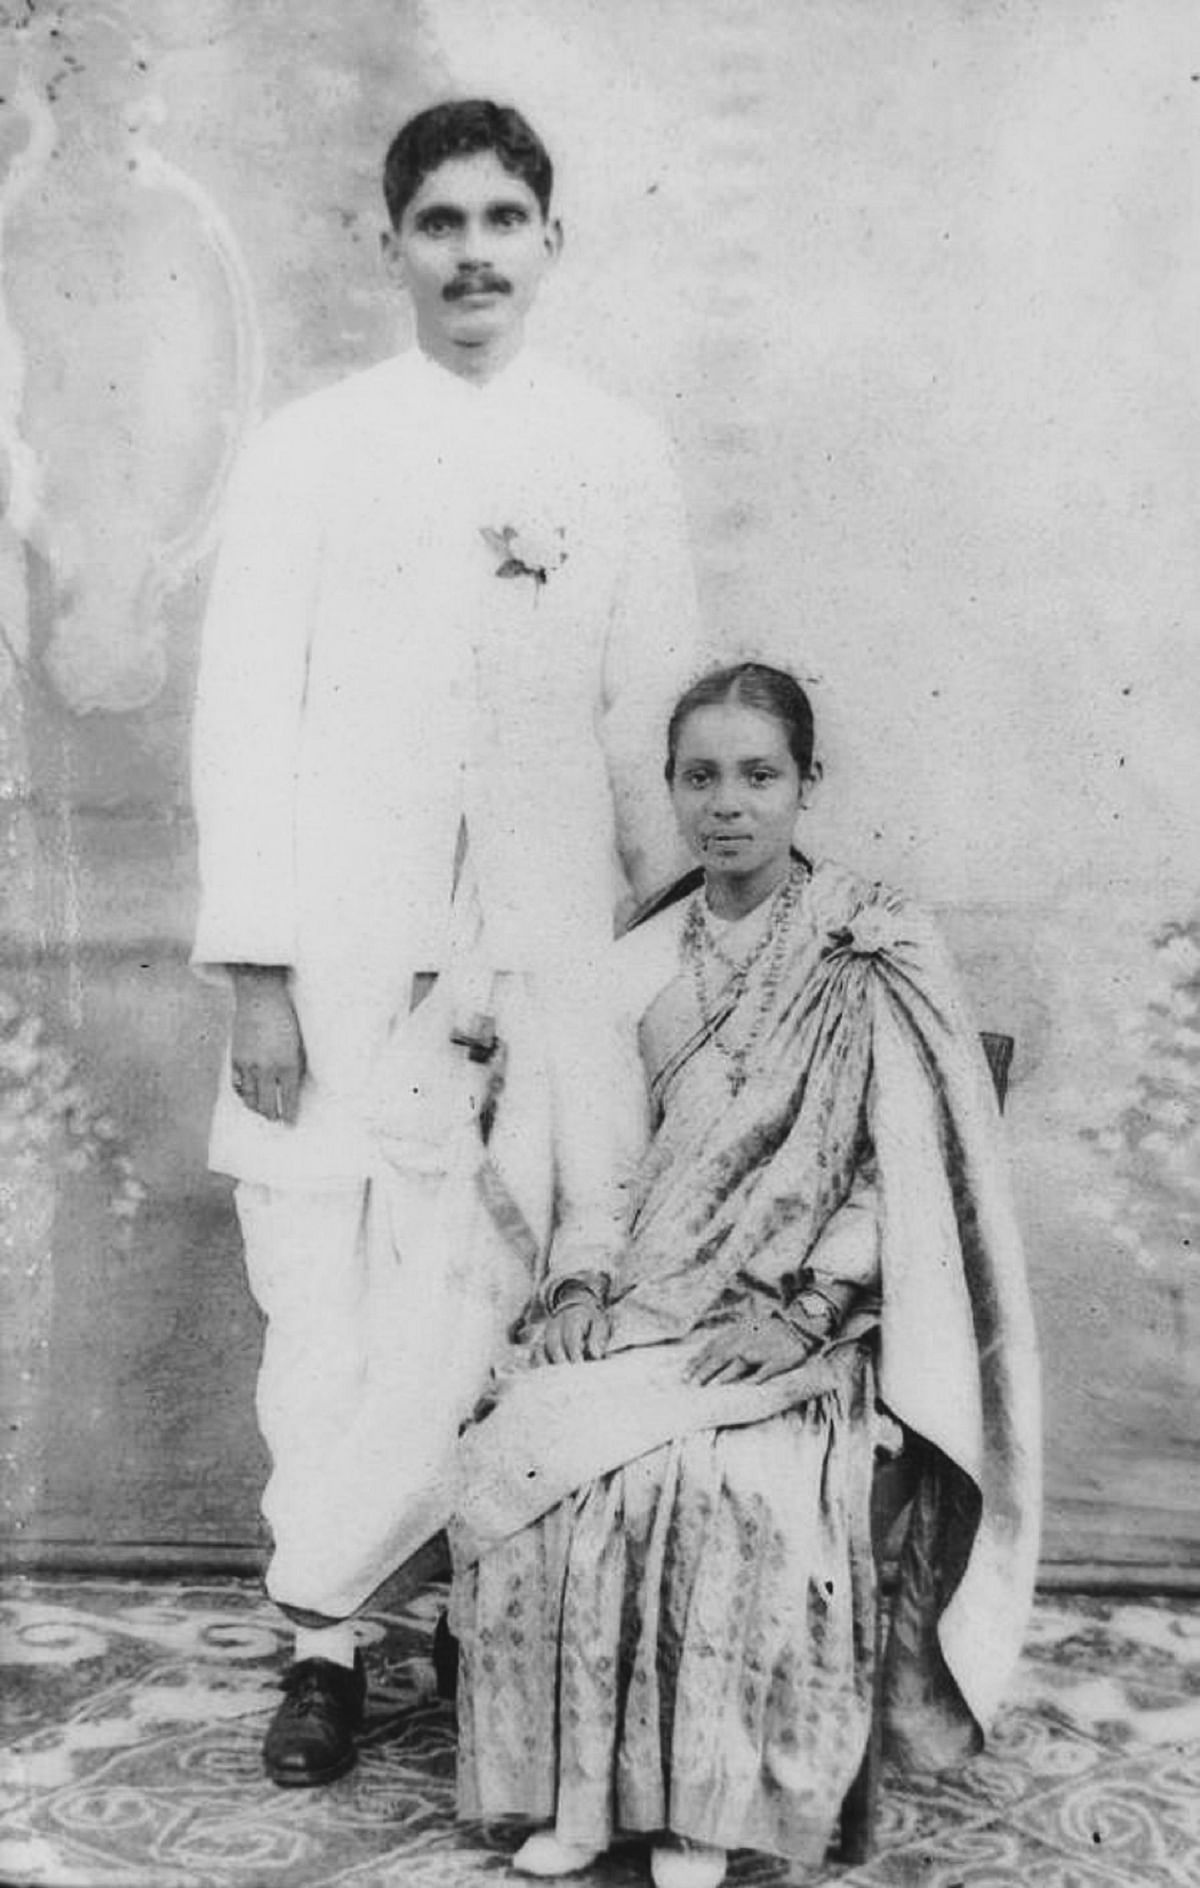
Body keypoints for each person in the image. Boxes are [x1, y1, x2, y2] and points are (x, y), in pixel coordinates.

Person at [190, 98, 700, 1787]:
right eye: (441, 222)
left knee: (501, 1293)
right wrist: (258, 966)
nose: (474, 252)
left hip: (547, 944)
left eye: (504, 219)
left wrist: (658, 965)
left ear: (553, 239)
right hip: (340, 947)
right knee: (322, 1299)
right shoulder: (314, 447)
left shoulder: (617, 450)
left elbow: (652, 726)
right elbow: (245, 713)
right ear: (389, 243)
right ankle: (324, 1640)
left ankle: (488, 1623)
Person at [448, 662, 1042, 1887]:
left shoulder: (872, 945)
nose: (728, 805)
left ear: (806, 784)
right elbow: (602, 1178)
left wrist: (809, 1309)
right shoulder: (639, 960)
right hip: (657, 1293)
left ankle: (704, 1814)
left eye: (759, 775)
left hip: (805, 1318)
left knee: (724, 1479)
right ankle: (581, 1796)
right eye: (700, 777)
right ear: (669, 789)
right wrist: (578, 1291)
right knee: (545, 1438)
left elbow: (903, 1175)